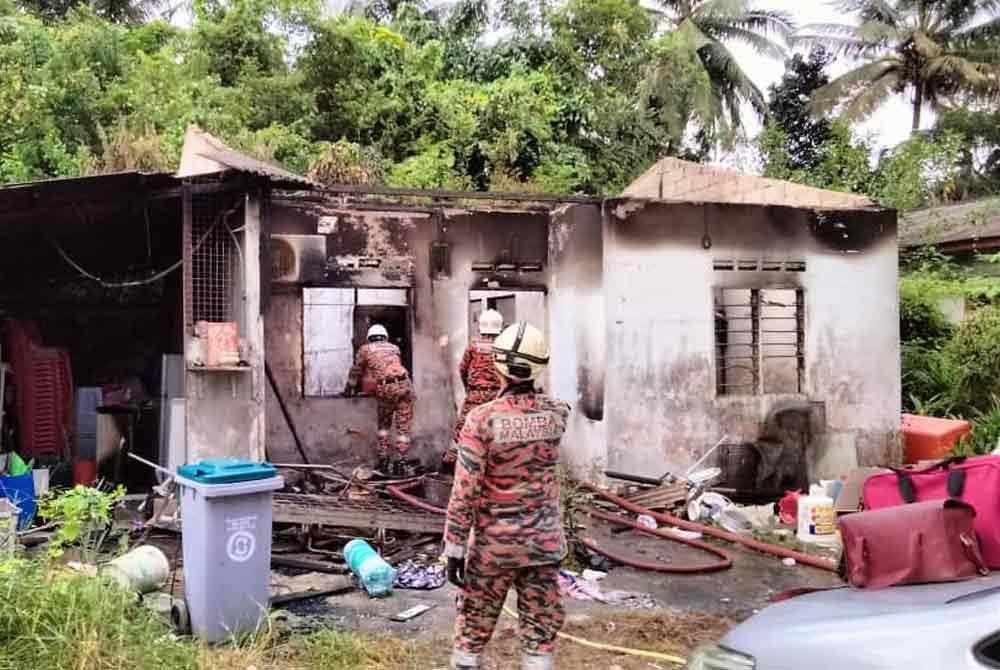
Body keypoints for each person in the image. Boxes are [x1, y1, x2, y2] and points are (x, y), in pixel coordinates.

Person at [444, 322, 569, 670]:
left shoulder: (480, 419)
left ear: (497, 365)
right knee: (540, 632)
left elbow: (464, 491)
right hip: (543, 545)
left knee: (472, 629)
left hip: (493, 548)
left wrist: (454, 548)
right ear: (540, 365)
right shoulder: (558, 414)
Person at [344, 324, 414, 474]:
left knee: (384, 426)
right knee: (403, 428)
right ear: (385, 337)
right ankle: (402, 462)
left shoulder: (365, 349)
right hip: (405, 385)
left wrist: (349, 388)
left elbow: (356, 370)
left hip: (386, 388)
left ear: (369, 338)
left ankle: (384, 461)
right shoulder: (395, 348)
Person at [442, 309, 505, 472]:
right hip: (497, 396)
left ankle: (448, 469)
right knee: (494, 430)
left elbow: (462, 369)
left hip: (475, 394)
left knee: (462, 430)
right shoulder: (503, 347)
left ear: (481, 327)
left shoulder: (473, 345)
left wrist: (470, 389)